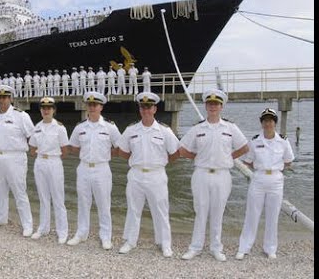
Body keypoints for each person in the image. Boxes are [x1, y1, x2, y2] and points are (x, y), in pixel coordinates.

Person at [179, 89, 249, 261]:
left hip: (222, 175)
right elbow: (182, 149)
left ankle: (216, 248)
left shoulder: (230, 128)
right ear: (205, 106)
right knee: (200, 211)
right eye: (210, 104)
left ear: (221, 106)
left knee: (218, 212)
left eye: (216, 104)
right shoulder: (197, 128)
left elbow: (245, 147)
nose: (213, 106)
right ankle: (195, 247)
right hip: (201, 174)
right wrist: (196, 157)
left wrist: (228, 158)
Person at [117, 92, 180, 257]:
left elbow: (175, 153)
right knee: (133, 209)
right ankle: (130, 241)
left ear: (155, 109)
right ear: (139, 109)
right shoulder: (131, 130)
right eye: (143, 107)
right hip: (136, 175)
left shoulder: (164, 131)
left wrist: (160, 162)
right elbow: (122, 151)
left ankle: (165, 244)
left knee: (160, 210)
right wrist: (136, 160)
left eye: (149, 107)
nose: (146, 110)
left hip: (157, 175)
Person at [235, 108, 294, 260]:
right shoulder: (255, 141)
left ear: (275, 122)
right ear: (262, 123)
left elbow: (288, 162)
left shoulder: (283, 141)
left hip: (276, 180)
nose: (268, 123)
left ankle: (270, 249)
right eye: (265, 120)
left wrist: (274, 170)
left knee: (273, 216)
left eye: (271, 120)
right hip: (258, 179)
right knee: (252, 214)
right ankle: (244, 247)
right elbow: (248, 162)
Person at [67, 91, 121, 250]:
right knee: (83, 203)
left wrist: (104, 156)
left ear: (101, 107)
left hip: (102, 169)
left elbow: (119, 148)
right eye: (89, 104)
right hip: (83, 168)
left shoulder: (110, 127)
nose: (92, 107)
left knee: (104, 204)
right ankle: (81, 233)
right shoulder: (80, 127)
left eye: (95, 105)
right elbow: (74, 147)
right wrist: (87, 156)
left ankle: (105, 236)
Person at [0, 85, 35, 237]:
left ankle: (27, 224)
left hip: (15, 157)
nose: (2, 100)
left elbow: (32, 136)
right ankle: (1, 218)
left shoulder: (21, 116)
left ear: (11, 98)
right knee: (0, 189)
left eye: (5, 97)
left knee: (19, 191)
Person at [28, 97, 69, 243]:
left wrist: (53, 158)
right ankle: (43, 228)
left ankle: (62, 231)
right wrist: (41, 155)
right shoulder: (36, 127)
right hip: (40, 162)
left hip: (54, 163)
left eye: (49, 108)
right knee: (43, 197)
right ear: (40, 110)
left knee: (58, 198)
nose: (46, 110)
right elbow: (32, 149)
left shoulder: (60, 128)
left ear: (54, 110)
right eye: (43, 108)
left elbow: (65, 151)